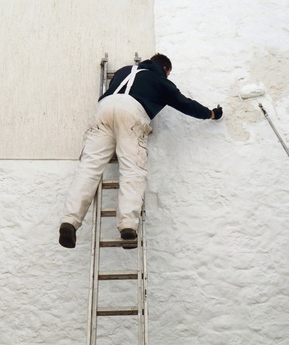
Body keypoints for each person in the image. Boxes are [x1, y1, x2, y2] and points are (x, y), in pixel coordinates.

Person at [58, 53, 223, 249]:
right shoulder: (161, 81)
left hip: (104, 108)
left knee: (89, 168)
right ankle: (127, 226)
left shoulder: (122, 71)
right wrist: (211, 114)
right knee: (132, 169)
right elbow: (185, 104)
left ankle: (69, 221)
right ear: (165, 69)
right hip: (132, 113)